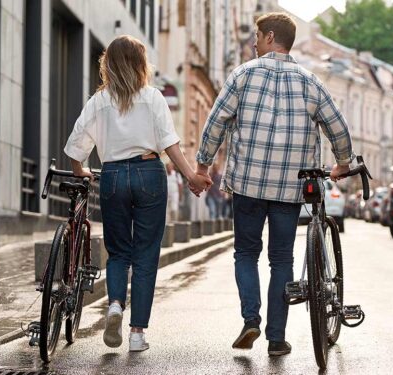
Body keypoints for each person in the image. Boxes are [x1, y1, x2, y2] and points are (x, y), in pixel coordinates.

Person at [192, 13, 354, 356]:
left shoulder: (242, 75)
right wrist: (342, 161)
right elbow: (337, 126)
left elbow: (216, 122)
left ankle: (251, 318)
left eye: (256, 36)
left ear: (268, 37)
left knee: (246, 254)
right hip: (290, 187)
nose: (253, 42)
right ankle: (276, 338)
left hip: (248, 185)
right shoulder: (311, 81)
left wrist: (203, 165)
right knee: (282, 259)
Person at [63, 35, 211, 352]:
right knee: (145, 256)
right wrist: (191, 177)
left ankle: (115, 303)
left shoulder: (98, 101)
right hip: (149, 173)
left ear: (108, 66)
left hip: (114, 175)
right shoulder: (153, 97)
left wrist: (82, 171)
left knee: (119, 252)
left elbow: (75, 146)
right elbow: (171, 143)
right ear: (141, 65)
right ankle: (136, 334)